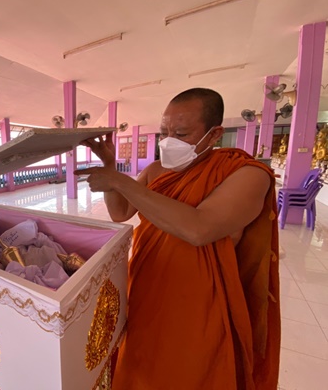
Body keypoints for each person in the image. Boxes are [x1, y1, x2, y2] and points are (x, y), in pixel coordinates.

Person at [75, 88, 280, 390]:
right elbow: (120, 212)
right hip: (146, 286)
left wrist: (120, 181)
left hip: (198, 305)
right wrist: (110, 166)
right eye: (164, 132)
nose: (169, 141)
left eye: (181, 133)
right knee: (140, 368)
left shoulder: (246, 174)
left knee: (187, 375)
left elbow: (199, 229)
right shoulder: (157, 171)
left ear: (214, 134)